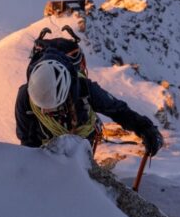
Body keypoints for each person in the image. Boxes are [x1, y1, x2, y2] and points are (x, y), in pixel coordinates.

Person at [14, 29, 162, 156]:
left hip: (80, 147)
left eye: (53, 107)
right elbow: (28, 143)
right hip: (48, 156)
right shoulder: (25, 97)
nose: (46, 111)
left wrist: (144, 128)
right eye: (43, 108)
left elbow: (117, 110)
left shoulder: (83, 87)